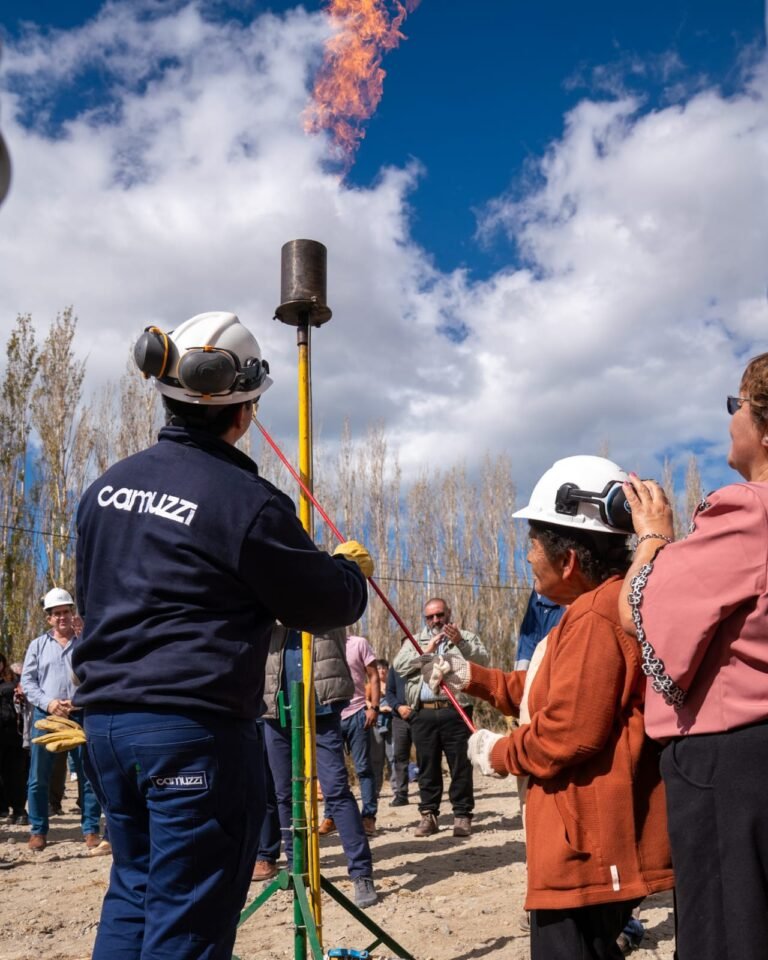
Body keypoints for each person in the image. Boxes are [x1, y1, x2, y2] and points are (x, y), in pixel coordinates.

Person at [72, 312, 371, 960]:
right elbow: (323, 604)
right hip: (192, 735)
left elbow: (96, 602)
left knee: (134, 891)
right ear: (245, 407)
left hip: (108, 729)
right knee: (188, 921)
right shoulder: (245, 502)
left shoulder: (103, 491)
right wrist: (350, 572)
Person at [423, 457, 674, 960]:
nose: (527, 556)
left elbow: (568, 730)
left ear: (569, 560)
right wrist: (470, 676)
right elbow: (547, 690)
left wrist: (499, 752)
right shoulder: (592, 611)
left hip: (584, 851)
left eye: (533, 544)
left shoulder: (596, 617)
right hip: (583, 843)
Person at [618, 353, 768, 960]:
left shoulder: (750, 509)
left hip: (731, 768)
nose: (730, 420)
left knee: (726, 933)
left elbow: (640, 607)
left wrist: (653, 534)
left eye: (737, 405)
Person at [260, 624, 378, 908]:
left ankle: (361, 873)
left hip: (322, 703)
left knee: (336, 790)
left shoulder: (326, 601)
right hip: (277, 706)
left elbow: (343, 608)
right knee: (284, 793)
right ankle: (296, 868)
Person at [393, 597, 488, 838]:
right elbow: (399, 667)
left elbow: (483, 661)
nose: (435, 620)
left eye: (439, 615)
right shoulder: (414, 640)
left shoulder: (465, 637)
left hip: (455, 710)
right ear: (425, 619)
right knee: (427, 766)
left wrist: (461, 643)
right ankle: (429, 815)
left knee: (460, 765)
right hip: (423, 711)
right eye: (430, 617)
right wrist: (426, 653)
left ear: (448, 614)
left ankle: (462, 814)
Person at [21, 588, 102, 851]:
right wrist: (50, 703)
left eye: (66, 611)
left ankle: (90, 830)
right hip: (46, 715)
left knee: (88, 775)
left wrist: (78, 700)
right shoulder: (37, 645)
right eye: (56, 613)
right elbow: (28, 682)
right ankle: (38, 831)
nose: (62, 617)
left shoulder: (85, 643)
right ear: (49, 618)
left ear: (72, 613)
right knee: (38, 777)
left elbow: (97, 675)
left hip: (80, 713)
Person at [319, 633, 380, 838]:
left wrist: (374, 707)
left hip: (357, 713)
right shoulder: (320, 643)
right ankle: (331, 817)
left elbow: (373, 675)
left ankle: (368, 817)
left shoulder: (358, 643)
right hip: (329, 715)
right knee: (331, 771)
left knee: (363, 768)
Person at [0, 653, 27, 825]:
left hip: (13, 733)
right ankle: (3, 809)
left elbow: (23, 692)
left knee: (16, 774)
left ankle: (19, 810)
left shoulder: (14, 679)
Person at [386, 643, 413, 806]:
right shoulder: (395, 668)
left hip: (420, 716)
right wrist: (398, 707)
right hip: (399, 718)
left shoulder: (422, 665)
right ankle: (401, 794)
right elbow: (389, 692)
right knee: (399, 756)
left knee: (426, 756)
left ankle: (428, 794)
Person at [368, 658, 394, 798]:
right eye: (379, 668)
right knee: (376, 759)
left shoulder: (392, 684)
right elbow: (365, 701)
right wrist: (378, 708)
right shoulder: (370, 685)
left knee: (393, 757)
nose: (382, 671)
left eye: (384, 668)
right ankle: (375, 790)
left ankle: (397, 790)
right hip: (376, 724)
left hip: (391, 723)